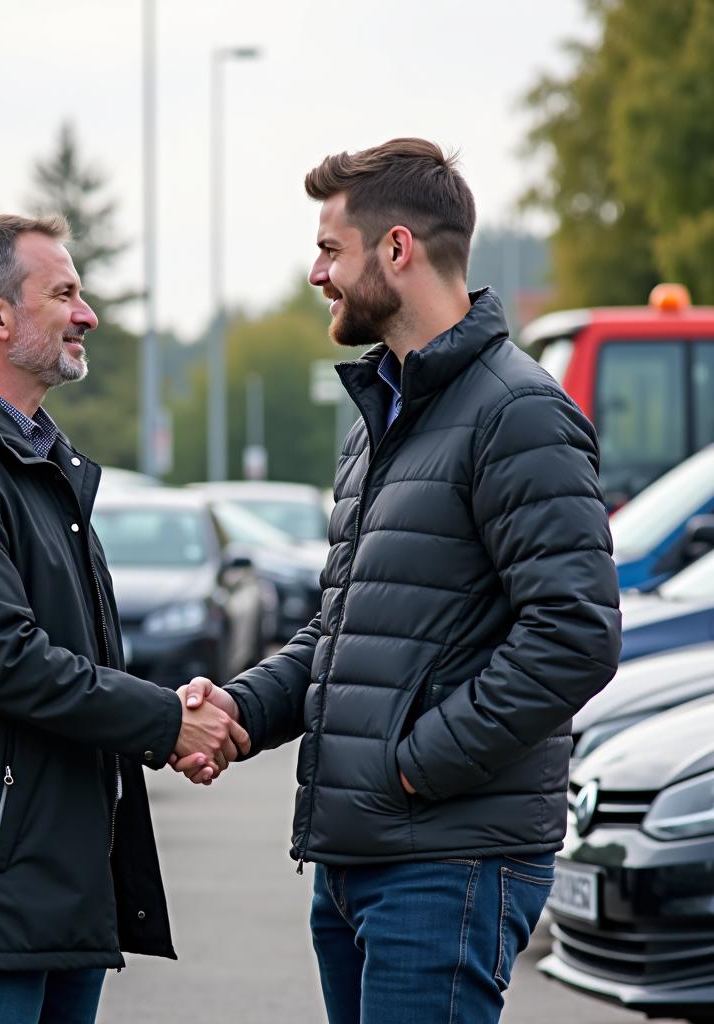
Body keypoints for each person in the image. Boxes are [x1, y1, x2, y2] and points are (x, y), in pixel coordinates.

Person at [174, 139, 621, 1023]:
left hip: (447, 861)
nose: (317, 274)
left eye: (329, 250)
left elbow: (573, 635)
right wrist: (240, 709)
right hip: (361, 859)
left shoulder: (518, 412)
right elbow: (343, 630)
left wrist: (415, 767)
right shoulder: (380, 417)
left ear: (398, 248)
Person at [0, 213, 248, 1024]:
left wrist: (170, 721)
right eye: (64, 293)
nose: (86, 314)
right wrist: (167, 721)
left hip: (61, 873)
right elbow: (6, 661)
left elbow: (78, 656)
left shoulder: (36, 466)